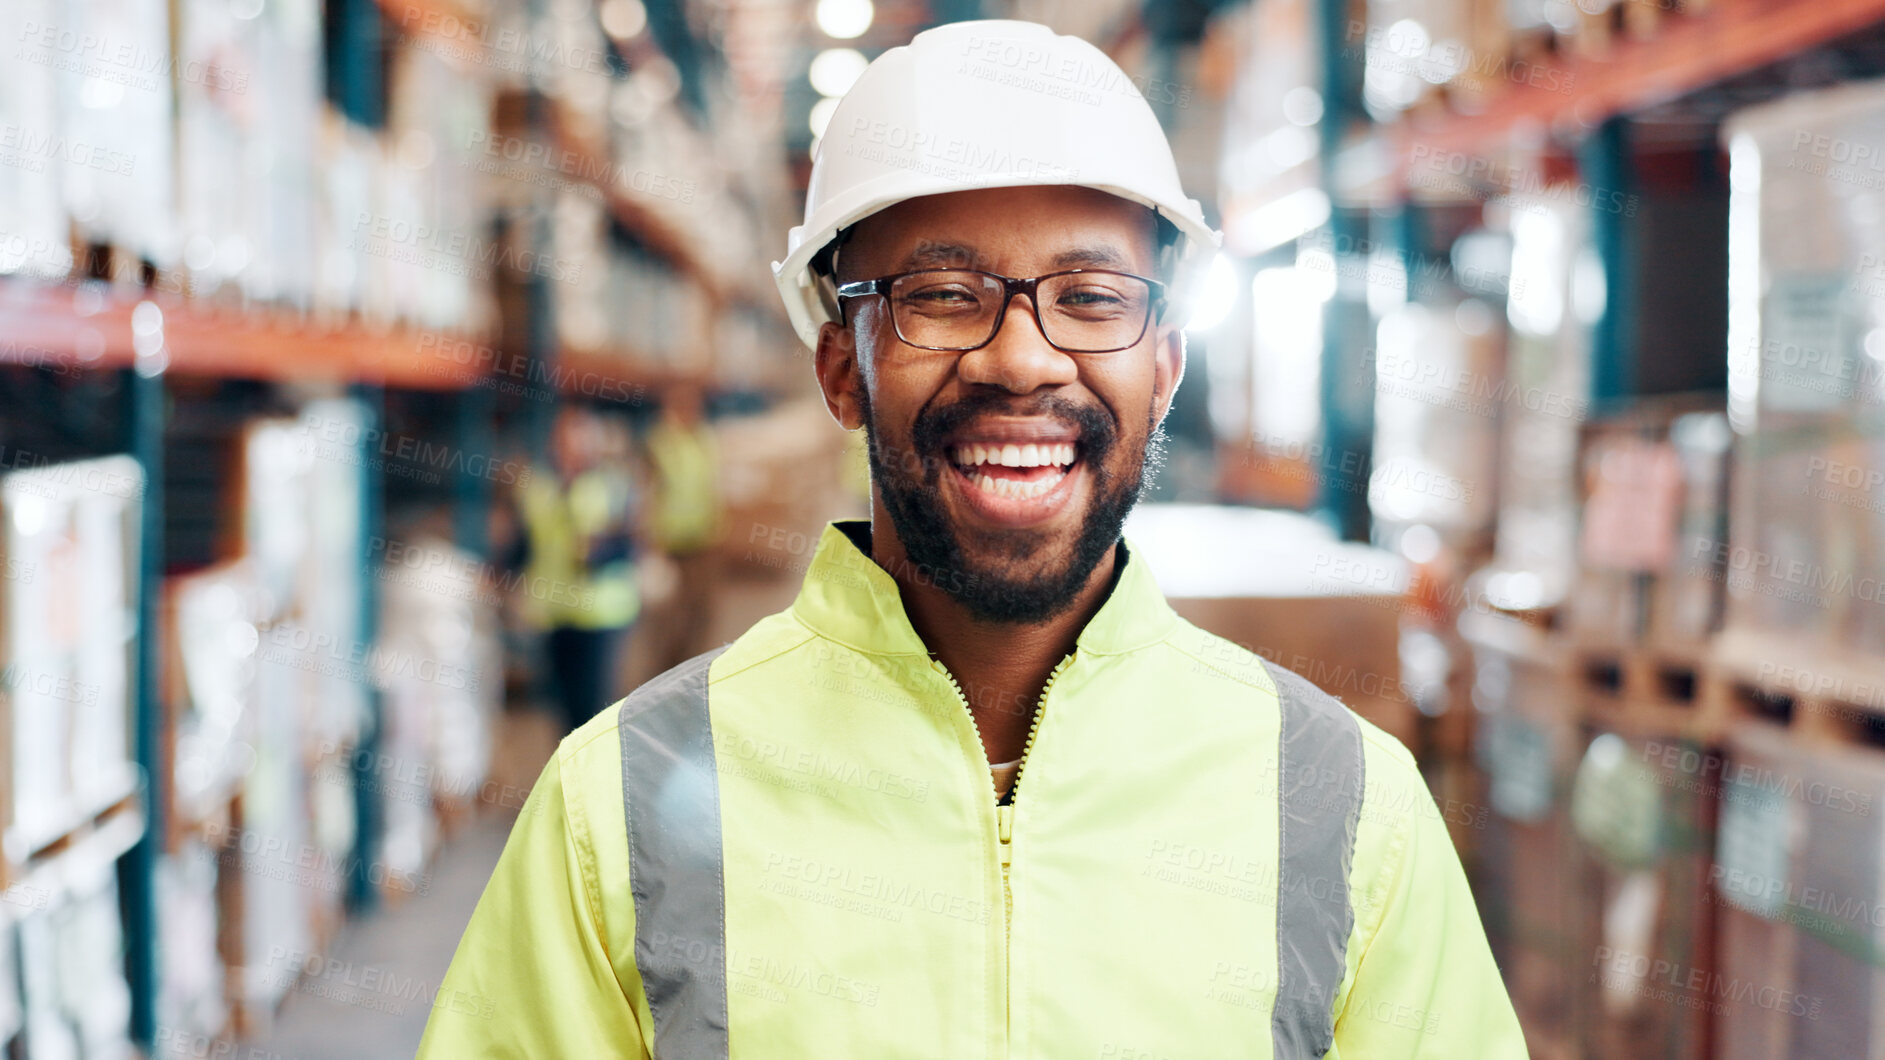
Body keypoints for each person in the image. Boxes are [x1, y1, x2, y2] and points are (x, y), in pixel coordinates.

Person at [421, 19, 1524, 1058]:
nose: (1022, 359)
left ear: (1165, 370)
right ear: (841, 372)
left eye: (1091, 296)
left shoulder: (1345, 809)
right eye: (943, 295)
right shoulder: (613, 810)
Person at [512, 405, 640, 735]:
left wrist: (599, 553)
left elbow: (632, 544)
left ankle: (596, 779)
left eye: (580, 438)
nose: (572, 447)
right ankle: (569, 775)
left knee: (592, 708)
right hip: (554, 612)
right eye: (565, 438)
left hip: (600, 615)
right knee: (562, 708)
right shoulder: (538, 486)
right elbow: (526, 543)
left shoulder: (614, 486)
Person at [642, 380, 723, 672]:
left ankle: (691, 672)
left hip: (701, 541)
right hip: (669, 544)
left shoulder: (702, 439)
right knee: (667, 621)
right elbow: (646, 496)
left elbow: (710, 488)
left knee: (701, 613)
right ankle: (662, 676)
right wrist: (652, 544)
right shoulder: (659, 444)